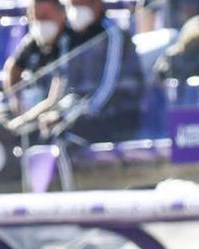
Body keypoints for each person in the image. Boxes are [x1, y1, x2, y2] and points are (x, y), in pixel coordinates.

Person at [9, 0, 144, 144]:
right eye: (73, 5)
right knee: (30, 135)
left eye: (81, 4)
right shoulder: (67, 38)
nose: (76, 10)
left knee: (62, 133)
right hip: (78, 113)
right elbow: (64, 86)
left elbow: (108, 87)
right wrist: (58, 112)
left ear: (97, 4)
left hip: (115, 113)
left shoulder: (114, 34)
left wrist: (70, 116)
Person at [4, 0, 71, 116]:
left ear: (61, 14)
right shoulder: (32, 41)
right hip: (32, 108)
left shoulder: (70, 41)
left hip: (58, 112)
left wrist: (25, 119)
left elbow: (56, 95)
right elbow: (12, 68)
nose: (40, 23)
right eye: (35, 17)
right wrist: (16, 99)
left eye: (45, 16)